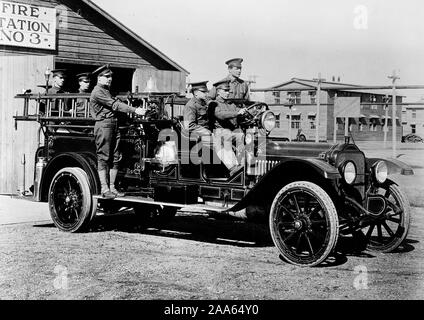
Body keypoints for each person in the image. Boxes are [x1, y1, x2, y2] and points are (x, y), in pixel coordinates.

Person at [90, 65, 146, 199]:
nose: (110, 79)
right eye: (106, 76)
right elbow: (115, 105)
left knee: (116, 157)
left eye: (110, 77)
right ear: (99, 78)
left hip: (113, 125)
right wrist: (134, 110)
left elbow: (117, 102)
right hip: (104, 125)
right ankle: (104, 189)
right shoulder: (98, 91)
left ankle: (112, 188)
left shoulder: (107, 91)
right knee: (104, 157)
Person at [212, 79, 246, 176]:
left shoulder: (230, 104)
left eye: (228, 91)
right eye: (225, 91)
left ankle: (243, 164)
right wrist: (237, 113)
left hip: (230, 131)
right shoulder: (214, 104)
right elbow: (220, 115)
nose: (228, 93)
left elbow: (240, 110)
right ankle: (233, 167)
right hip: (219, 132)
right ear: (218, 92)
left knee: (242, 135)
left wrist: (253, 111)